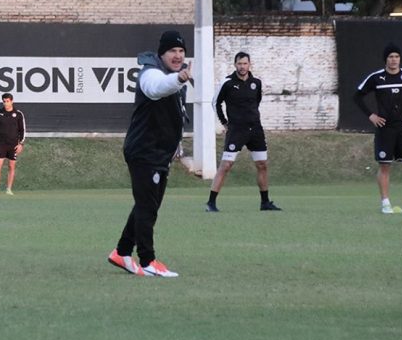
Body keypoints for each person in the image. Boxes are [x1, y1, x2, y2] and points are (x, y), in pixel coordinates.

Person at [108, 30, 192, 278]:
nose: (177, 55)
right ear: (161, 53)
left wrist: (175, 145)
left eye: (181, 51)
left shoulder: (174, 76)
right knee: (148, 207)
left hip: (159, 152)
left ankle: (122, 252)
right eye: (172, 51)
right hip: (144, 150)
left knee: (147, 205)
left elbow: (173, 115)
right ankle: (148, 260)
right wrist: (178, 79)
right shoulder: (150, 73)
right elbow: (156, 89)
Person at [354, 43, 402, 215]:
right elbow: (357, 96)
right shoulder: (376, 78)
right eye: (390, 57)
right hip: (385, 129)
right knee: (385, 166)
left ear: (400, 59)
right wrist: (371, 115)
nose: (394, 60)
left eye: (396, 57)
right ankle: (385, 204)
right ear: (385, 59)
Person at [206, 51, 281, 213]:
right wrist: (225, 123)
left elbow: (256, 102)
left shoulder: (256, 83)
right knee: (226, 165)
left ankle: (265, 202)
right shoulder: (227, 83)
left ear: (249, 64)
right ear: (235, 65)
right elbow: (215, 103)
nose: (242, 66)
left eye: (245, 63)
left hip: (255, 130)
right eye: (239, 63)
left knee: (262, 164)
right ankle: (211, 203)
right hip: (236, 131)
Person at [0, 93, 25, 195]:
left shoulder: (18, 114)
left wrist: (21, 143)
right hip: (1, 144)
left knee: (11, 166)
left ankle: (9, 189)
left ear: (12, 101)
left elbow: (22, 130)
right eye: (4, 101)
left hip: (13, 144)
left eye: (7, 101)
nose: (6, 103)